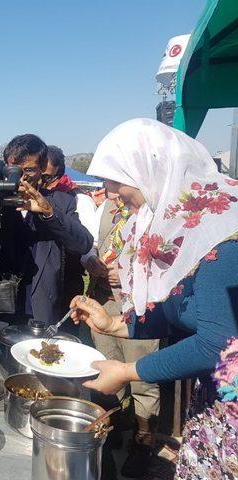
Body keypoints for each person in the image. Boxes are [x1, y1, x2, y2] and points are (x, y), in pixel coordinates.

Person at [68, 118, 238, 479]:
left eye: (115, 181)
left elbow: (217, 343)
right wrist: (116, 323)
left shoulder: (223, 231)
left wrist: (128, 372)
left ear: (150, 168)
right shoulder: (185, 220)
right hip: (216, 397)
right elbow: (181, 306)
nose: (110, 193)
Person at [0, 134, 93, 331]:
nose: (21, 178)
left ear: (42, 170)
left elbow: (82, 244)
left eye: (29, 170)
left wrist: (48, 212)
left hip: (41, 310)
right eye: (14, 170)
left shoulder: (61, 202)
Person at [82, 196, 160, 478]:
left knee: (141, 379)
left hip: (139, 304)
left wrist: (126, 273)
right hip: (105, 301)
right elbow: (92, 242)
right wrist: (91, 260)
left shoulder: (154, 207)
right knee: (107, 367)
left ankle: (143, 442)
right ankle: (110, 428)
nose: (111, 188)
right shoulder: (106, 207)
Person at [43, 145, 98, 321]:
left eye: (47, 178)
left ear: (59, 174)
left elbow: (89, 243)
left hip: (67, 281)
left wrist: (89, 259)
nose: (42, 184)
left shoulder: (79, 200)